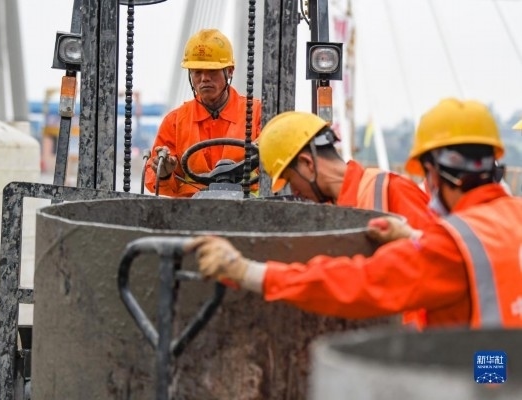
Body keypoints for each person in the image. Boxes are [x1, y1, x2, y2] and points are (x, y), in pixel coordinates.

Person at [187, 98, 522, 329]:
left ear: (434, 173)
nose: (294, 191)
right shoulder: (514, 214)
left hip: (486, 377)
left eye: (290, 180)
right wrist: (415, 237)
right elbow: (473, 259)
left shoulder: (432, 229)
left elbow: (361, 282)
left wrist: (247, 272)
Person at [258, 110, 435, 231]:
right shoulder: (326, 213)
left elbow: (434, 259)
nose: (294, 191)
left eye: (290, 180)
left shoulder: (392, 190)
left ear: (307, 163)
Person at [144, 29, 262, 197]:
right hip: (192, 210)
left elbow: (276, 168)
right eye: (197, 72)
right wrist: (163, 174)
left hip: (246, 207)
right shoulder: (175, 122)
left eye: (212, 71)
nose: (204, 78)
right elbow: (154, 179)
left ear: (230, 71)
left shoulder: (257, 114)